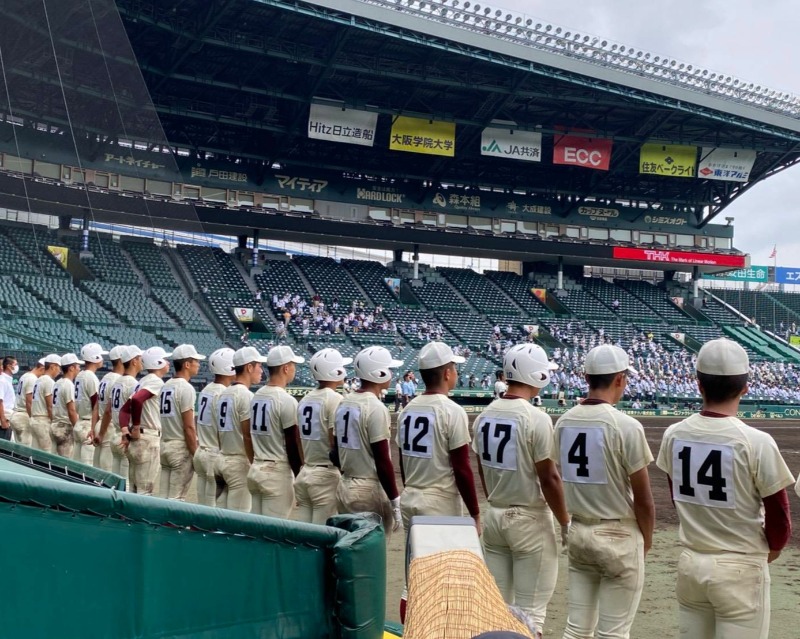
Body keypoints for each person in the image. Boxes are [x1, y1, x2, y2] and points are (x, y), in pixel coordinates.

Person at [656, 339, 794, 639]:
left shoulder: (674, 433)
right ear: (745, 388)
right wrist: (773, 547)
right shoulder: (756, 441)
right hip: (741, 564)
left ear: (698, 385)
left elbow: (675, 491)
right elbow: (779, 511)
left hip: (692, 560)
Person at [554, 344, 655, 639]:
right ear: (620, 379)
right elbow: (645, 500)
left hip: (580, 530)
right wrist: (645, 541)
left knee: (575, 629)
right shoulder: (626, 425)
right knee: (613, 634)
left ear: (587, 378)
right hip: (618, 534)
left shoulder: (563, 421)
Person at [474, 344, 570, 635]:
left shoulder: (484, 415)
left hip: (495, 514)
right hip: (529, 517)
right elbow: (549, 478)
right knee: (531, 616)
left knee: (496, 611)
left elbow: (481, 466)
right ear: (536, 374)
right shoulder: (536, 418)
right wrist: (565, 521)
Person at [334, 346, 403, 540]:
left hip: (345, 484)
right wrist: (394, 500)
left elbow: (335, 452)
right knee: (372, 555)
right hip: (368, 488)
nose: (391, 374)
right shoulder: (375, 407)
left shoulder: (344, 402)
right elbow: (382, 460)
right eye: (388, 369)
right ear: (378, 373)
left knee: (350, 550)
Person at [247, 345, 305, 518]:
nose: (294, 369)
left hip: (257, 468)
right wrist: (298, 478)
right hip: (276, 472)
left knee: (256, 532)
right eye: (293, 365)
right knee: (274, 533)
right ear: (285, 368)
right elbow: (292, 445)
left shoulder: (256, 396)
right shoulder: (286, 400)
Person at [295, 348, 351, 524]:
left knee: (304, 537)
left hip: (306, 471)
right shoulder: (335, 398)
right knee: (322, 537)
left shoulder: (305, 399)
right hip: (325, 473)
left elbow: (298, 439)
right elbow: (335, 440)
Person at [216, 346, 266, 512]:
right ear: (249, 367)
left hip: (222, 458)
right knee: (238, 519)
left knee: (221, 516)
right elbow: (247, 435)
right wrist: (254, 464)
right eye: (259, 365)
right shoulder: (246, 395)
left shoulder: (224, 393)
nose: (261, 370)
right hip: (238, 462)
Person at [121, 347, 171, 495]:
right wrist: (135, 426)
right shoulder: (155, 381)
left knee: (134, 490)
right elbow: (137, 400)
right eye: (165, 359)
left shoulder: (141, 381)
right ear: (158, 362)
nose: (168, 363)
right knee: (144, 491)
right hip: (148, 438)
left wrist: (125, 429)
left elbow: (124, 409)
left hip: (137, 439)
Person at [158, 344, 205, 500]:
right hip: (179, 447)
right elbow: (189, 427)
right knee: (177, 499)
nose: (198, 364)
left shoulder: (165, 386)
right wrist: (195, 454)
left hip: (164, 444)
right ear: (187, 364)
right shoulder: (186, 388)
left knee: (163, 497)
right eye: (195, 361)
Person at [194, 348, 235, 507]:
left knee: (202, 504)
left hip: (202, 450)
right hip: (214, 452)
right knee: (213, 507)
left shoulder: (206, 389)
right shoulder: (224, 393)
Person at [100, 346, 142, 479]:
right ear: (134, 361)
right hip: (126, 436)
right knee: (126, 482)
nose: (142, 362)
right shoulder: (133, 383)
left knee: (115, 480)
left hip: (115, 434)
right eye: (139, 359)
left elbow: (108, 410)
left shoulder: (117, 381)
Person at [93, 346, 125, 472]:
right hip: (109, 425)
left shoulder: (105, 377)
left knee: (97, 465)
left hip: (101, 422)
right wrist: (101, 432)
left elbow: (96, 406)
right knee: (107, 468)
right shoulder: (118, 380)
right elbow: (109, 410)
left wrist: (95, 428)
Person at [74, 343, 107, 465]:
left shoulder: (80, 375)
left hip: (79, 423)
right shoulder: (91, 377)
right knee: (87, 468)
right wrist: (94, 428)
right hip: (88, 424)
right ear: (95, 358)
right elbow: (96, 405)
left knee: (76, 468)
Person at [50, 353, 83, 457]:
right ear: (71, 368)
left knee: (55, 460)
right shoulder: (68, 384)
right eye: (78, 366)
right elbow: (71, 410)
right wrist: (77, 428)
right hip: (64, 426)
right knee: (66, 463)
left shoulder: (57, 382)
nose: (79, 369)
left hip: (55, 424)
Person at [29, 354, 61, 452]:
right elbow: (50, 406)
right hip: (43, 421)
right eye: (58, 367)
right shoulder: (49, 381)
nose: (59, 370)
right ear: (52, 366)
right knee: (47, 454)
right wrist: (54, 422)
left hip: (34, 419)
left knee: (35, 454)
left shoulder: (38, 380)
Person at [10, 359, 43, 447]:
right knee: (25, 451)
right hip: (23, 417)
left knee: (19, 449)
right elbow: (29, 402)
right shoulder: (33, 379)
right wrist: (32, 420)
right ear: (41, 368)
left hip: (17, 414)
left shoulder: (25, 375)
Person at [0, 356, 17, 441]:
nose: (17, 366)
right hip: (4, 417)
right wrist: (3, 420)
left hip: (10, 416)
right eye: (15, 364)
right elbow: (0, 401)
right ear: (9, 366)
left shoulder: (8, 380)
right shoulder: (2, 380)